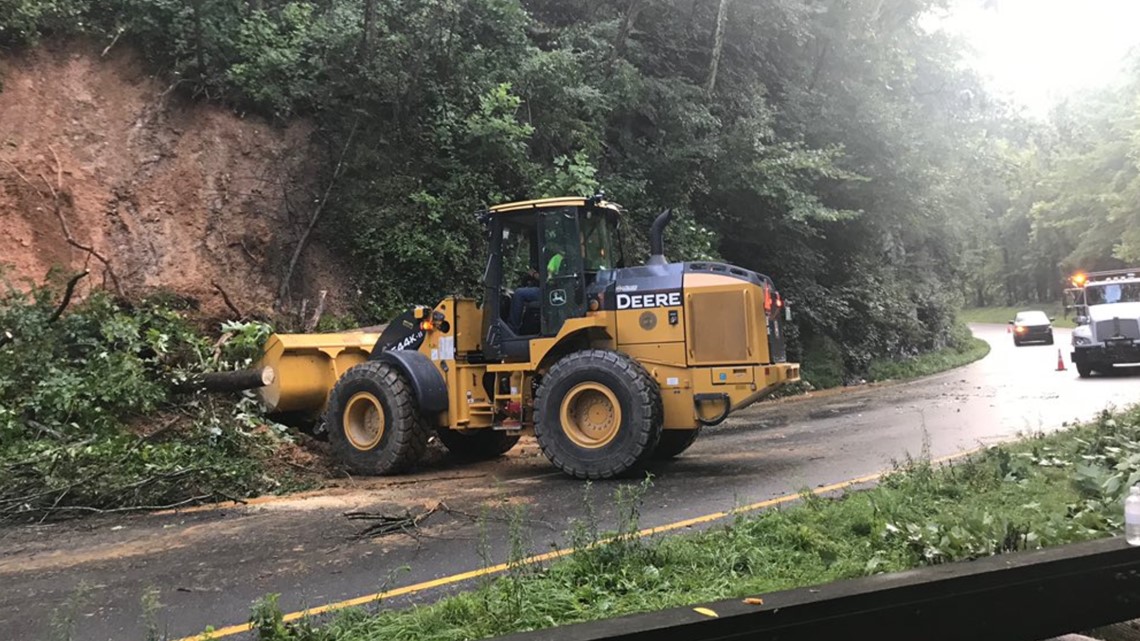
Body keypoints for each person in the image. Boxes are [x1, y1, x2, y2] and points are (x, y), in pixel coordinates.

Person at [509, 251, 564, 332]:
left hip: (550, 293)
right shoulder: (564, 259)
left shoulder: (556, 259)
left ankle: (512, 329)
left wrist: (534, 274)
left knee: (519, 293)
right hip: (556, 291)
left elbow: (548, 281)